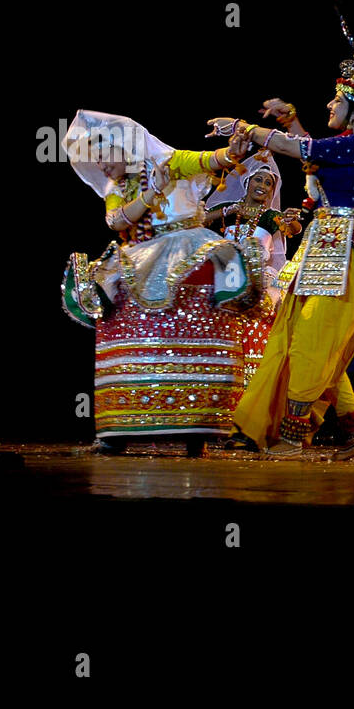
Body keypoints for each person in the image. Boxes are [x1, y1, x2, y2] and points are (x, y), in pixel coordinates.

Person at [209, 50, 354, 461]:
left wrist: (244, 128)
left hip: (346, 249)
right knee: (304, 338)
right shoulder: (347, 146)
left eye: (336, 100)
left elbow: (300, 149)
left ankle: (292, 436)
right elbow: (312, 150)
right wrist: (289, 119)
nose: (329, 104)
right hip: (329, 243)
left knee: (311, 341)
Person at [61, 110, 264, 456]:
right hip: (138, 255)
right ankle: (117, 429)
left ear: (124, 147)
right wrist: (148, 195)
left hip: (188, 246)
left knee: (206, 300)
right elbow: (116, 221)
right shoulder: (117, 188)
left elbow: (207, 160)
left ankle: (196, 427)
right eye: (94, 160)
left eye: (104, 156)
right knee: (108, 296)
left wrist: (232, 152)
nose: (101, 166)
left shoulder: (167, 162)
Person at [204, 152, 302, 390]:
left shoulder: (270, 216)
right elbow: (202, 219)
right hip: (225, 283)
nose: (263, 186)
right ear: (247, 182)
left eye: (269, 184)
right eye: (259, 180)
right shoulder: (230, 211)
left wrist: (291, 221)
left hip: (257, 286)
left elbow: (293, 228)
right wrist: (226, 212)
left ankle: (255, 390)